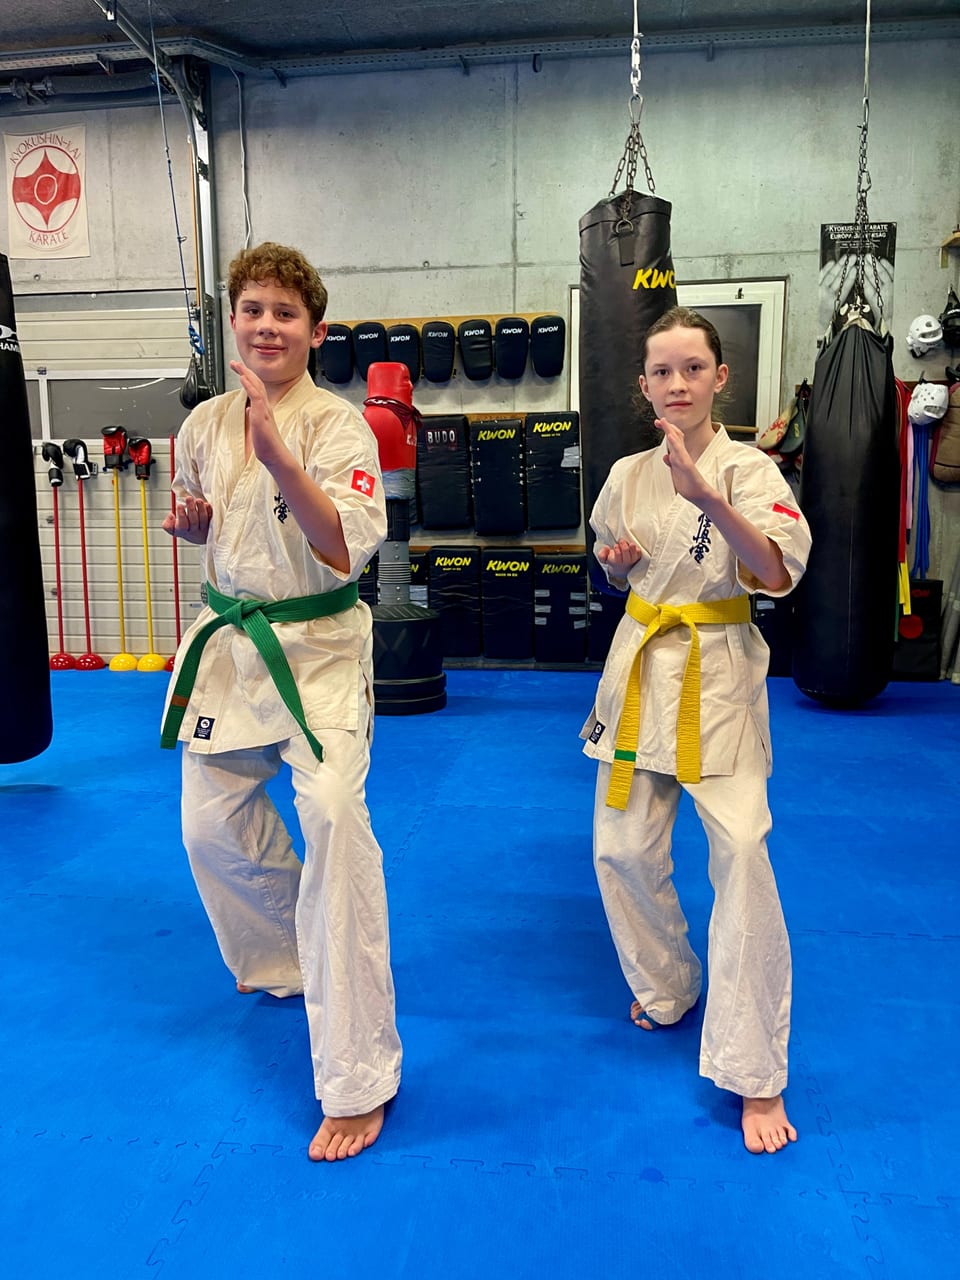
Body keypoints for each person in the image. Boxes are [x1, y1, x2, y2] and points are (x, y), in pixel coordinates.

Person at [160, 241, 401, 1162]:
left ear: (316, 331)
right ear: (235, 320)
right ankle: (284, 960)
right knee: (208, 827)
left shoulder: (341, 428)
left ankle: (357, 1076)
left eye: (286, 314)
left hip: (321, 650)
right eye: (253, 309)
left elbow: (341, 549)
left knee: (337, 820)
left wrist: (275, 450)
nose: (267, 325)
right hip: (233, 645)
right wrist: (195, 526)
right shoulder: (202, 425)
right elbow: (214, 523)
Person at [581, 306, 812, 1155]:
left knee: (743, 854)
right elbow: (619, 563)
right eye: (661, 371)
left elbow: (777, 572)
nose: (676, 384)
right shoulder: (626, 474)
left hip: (716, 674)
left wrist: (708, 495)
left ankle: (756, 1071)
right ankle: (670, 983)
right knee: (621, 849)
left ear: (720, 379)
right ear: (642, 386)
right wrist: (619, 567)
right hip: (642, 662)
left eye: (692, 369)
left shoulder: (752, 470)